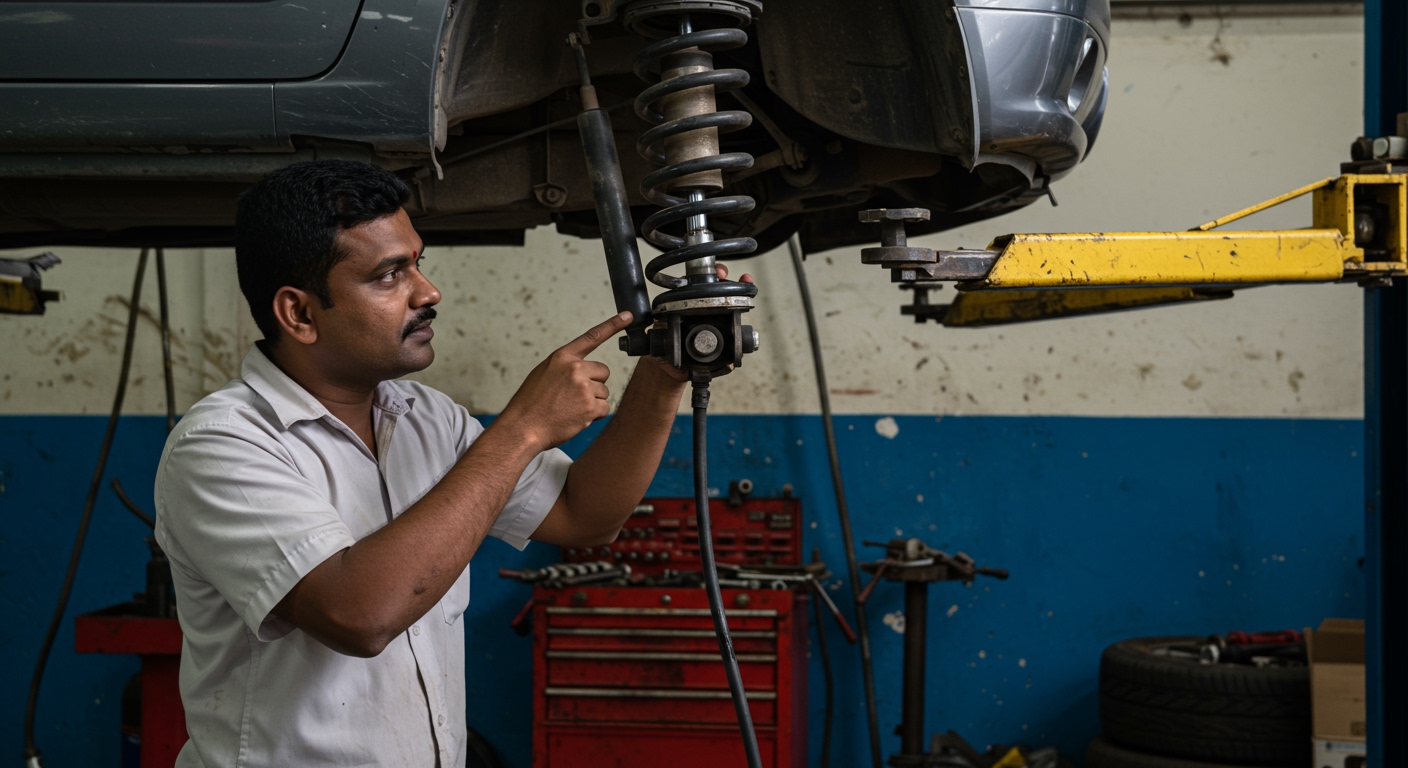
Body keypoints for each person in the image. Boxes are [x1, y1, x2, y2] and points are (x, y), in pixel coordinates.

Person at [153, 160, 750, 767]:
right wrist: (522, 428)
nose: (427, 291)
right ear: (300, 314)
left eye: (418, 261)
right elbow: (360, 614)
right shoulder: (225, 444)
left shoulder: (424, 416)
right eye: (388, 275)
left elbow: (583, 517)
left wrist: (662, 375)